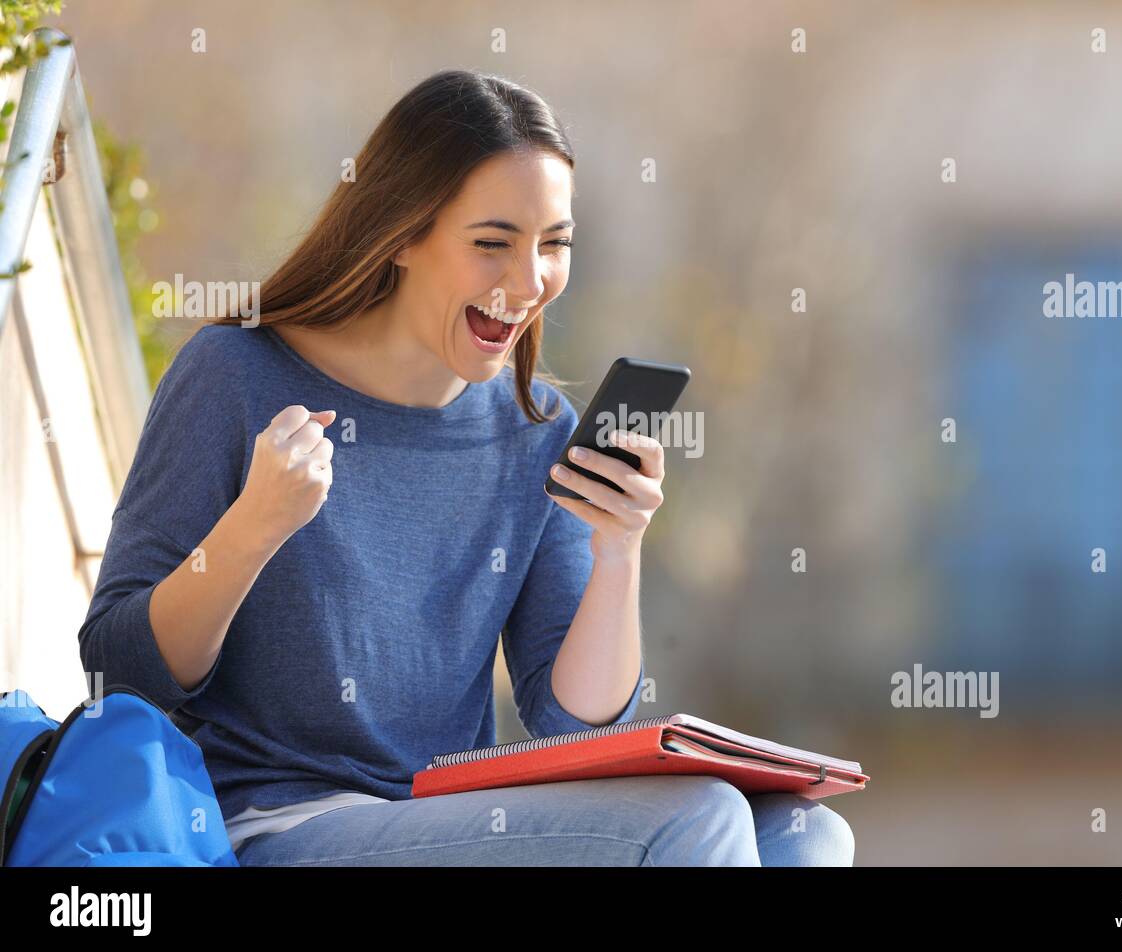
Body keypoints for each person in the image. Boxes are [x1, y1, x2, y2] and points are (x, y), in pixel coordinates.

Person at [78, 69, 854, 866]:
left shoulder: (535, 431)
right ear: (402, 233)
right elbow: (118, 667)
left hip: (460, 820)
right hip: (281, 829)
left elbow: (571, 723)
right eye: (492, 244)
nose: (528, 284)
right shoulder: (236, 375)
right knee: (698, 821)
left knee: (805, 831)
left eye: (555, 245)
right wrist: (252, 529)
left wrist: (618, 553)